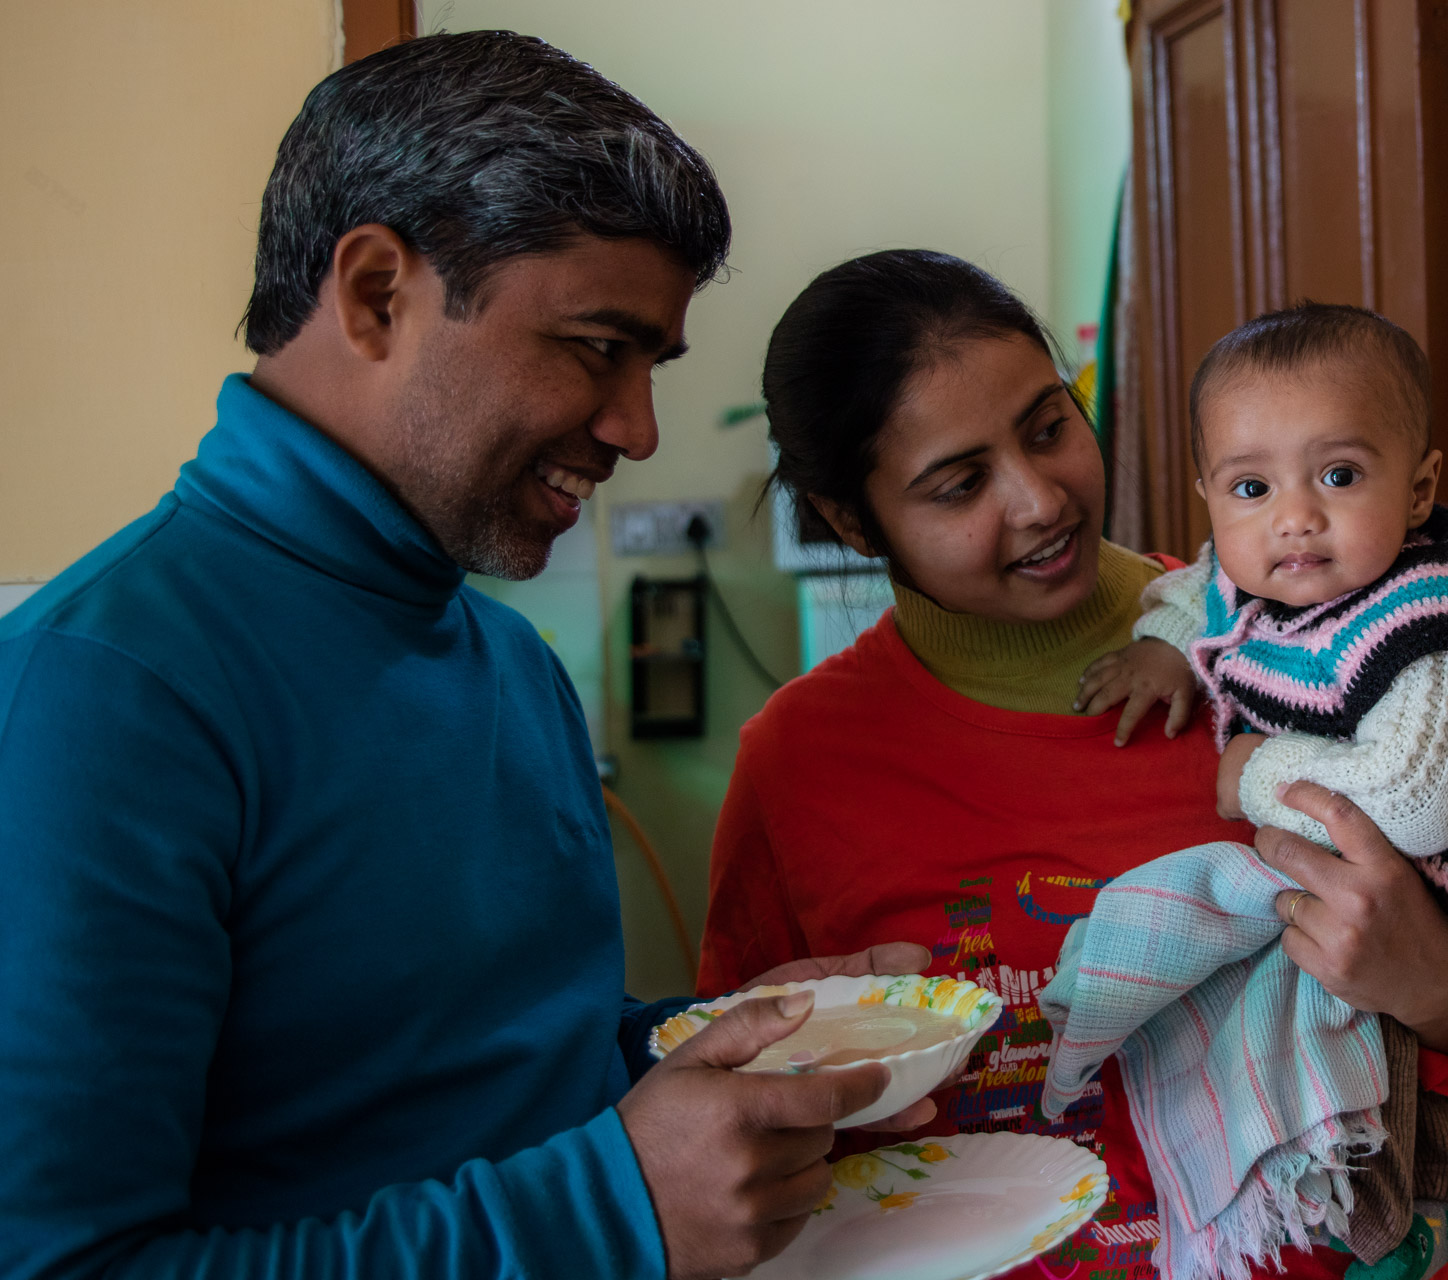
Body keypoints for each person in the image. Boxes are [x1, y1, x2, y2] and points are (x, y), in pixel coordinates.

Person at [0, 32, 925, 1280]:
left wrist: (741, 1044)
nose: (637, 429)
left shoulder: (506, 657)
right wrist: (614, 1209)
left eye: (652, 365)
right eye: (598, 346)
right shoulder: (98, 694)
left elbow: (500, 1079)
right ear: (378, 291)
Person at [699, 250, 1448, 1280]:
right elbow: (746, 1115)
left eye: (1048, 427)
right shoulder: (799, 764)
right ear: (850, 519)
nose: (1039, 499)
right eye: (961, 483)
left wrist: (1436, 985)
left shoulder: (1307, 637)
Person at [1080, 303, 1448, 963]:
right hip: (1443, 825)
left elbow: (1417, 808)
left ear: (1418, 490)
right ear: (1210, 499)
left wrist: (1257, 772)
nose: (1294, 517)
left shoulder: (1428, 630)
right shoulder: (1261, 562)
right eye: (1251, 487)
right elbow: (1205, 585)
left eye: (1339, 476)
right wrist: (1166, 644)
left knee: (1299, 953)